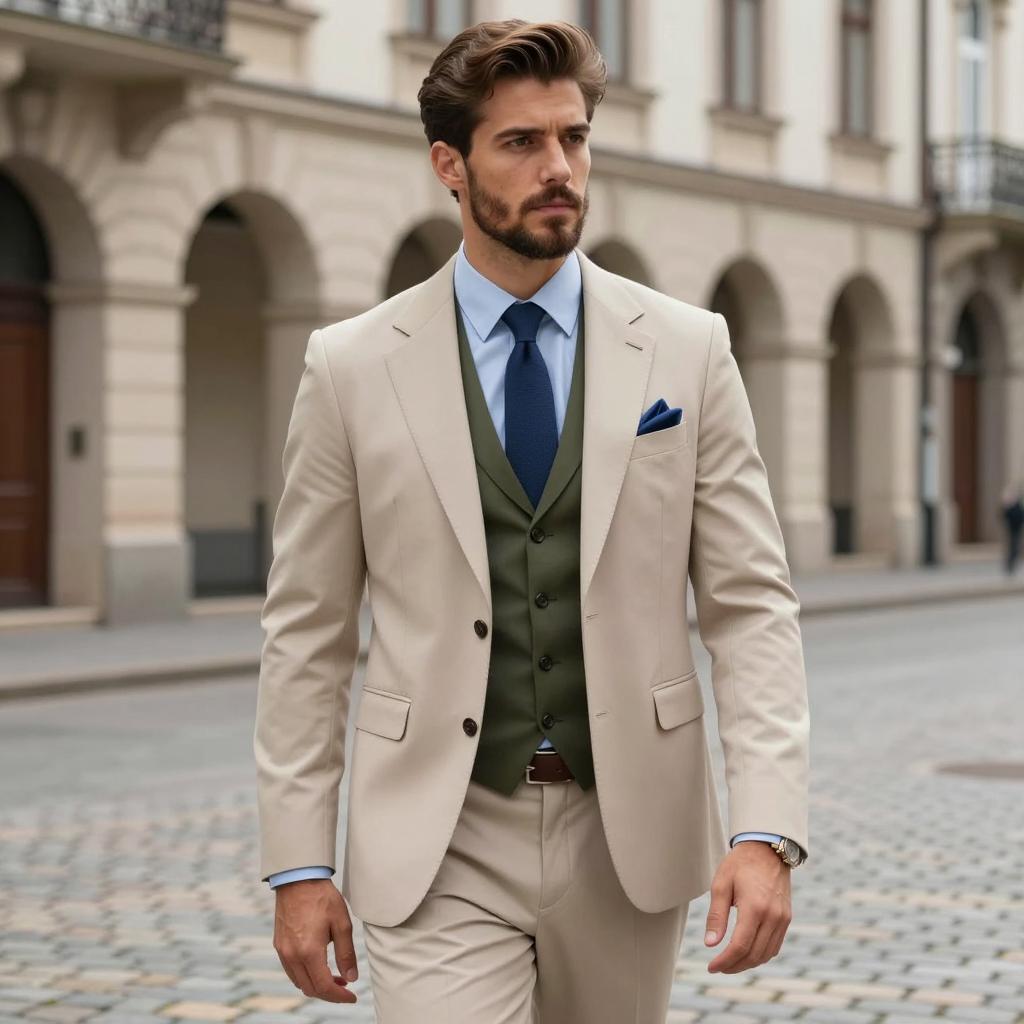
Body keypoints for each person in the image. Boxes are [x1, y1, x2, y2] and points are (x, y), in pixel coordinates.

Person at [254, 18, 810, 1024]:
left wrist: (764, 829)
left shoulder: (687, 351)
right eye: (521, 143)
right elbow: (308, 631)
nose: (560, 168)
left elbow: (748, 607)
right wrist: (297, 861)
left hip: (626, 825)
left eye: (574, 138)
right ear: (449, 166)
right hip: (438, 829)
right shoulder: (350, 367)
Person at [1001, 480, 1024, 576]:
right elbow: (1005, 516)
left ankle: (1011, 565)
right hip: (1012, 528)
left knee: (1015, 548)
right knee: (1012, 547)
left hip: (1017, 528)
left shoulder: (1017, 504)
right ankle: (1009, 566)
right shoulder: (1009, 505)